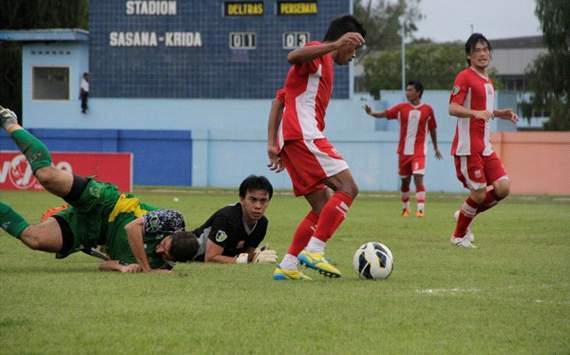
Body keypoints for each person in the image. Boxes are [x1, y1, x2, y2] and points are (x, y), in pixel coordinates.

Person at [0, 105, 199, 272]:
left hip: (91, 233)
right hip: (105, 202)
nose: (159, 251)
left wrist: (122, 268)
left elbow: (104, 265)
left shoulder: (164, 266)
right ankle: (10, 121)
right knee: (46, 175)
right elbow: (132, 227)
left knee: (33, 239)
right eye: (164, 245)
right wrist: (145, 269)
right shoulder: (173, 220)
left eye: (166, 255)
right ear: (173, 234)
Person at [267, 15, 366, 280]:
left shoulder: (325, 64)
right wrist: (335, 44)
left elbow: (279, 100)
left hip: (295, 139)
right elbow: (293, 55)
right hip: (303, 135)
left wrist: (272, 144)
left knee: (322, 206)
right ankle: (315, 250)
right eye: (354, 46)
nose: (354, 53)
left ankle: (287, 265)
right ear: (345, 40)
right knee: (349, 188)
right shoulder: (317, 53)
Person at [448, 33, 518, 248]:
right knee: (478, 195)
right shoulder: (464, 77)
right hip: (468, 147)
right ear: (469, 55)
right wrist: (474, 113)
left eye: (485, 49)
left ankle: (464, 214)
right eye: (477, 50)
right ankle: (458, 236)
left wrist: (498, 113)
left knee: (503, 188)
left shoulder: (487, 80)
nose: (482, 53)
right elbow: (453, 108)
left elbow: (484, 112)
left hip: (485, 147)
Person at [364, 80, 442, 217]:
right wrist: (372, 113)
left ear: (418, 92)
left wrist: (436, 147)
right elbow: (385, 114)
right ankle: (406, 208)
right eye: (407, 90)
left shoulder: (427, 110)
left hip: (419, 151)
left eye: (410, 90)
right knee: (405, 182)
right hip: (403, 152)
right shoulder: (401, 108)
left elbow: (433, 129)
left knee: (418, 177)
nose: (407, 93)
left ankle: (420, 210)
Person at [191, 175, 278, 264]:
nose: (258, 206)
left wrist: (256, 255)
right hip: (186, 252)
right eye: (253, 199)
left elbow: (246, 255)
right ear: (242, 199)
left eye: (263, 201)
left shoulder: (262, 224)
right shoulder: (226, 218)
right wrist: (249, 260)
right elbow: (210, 258)